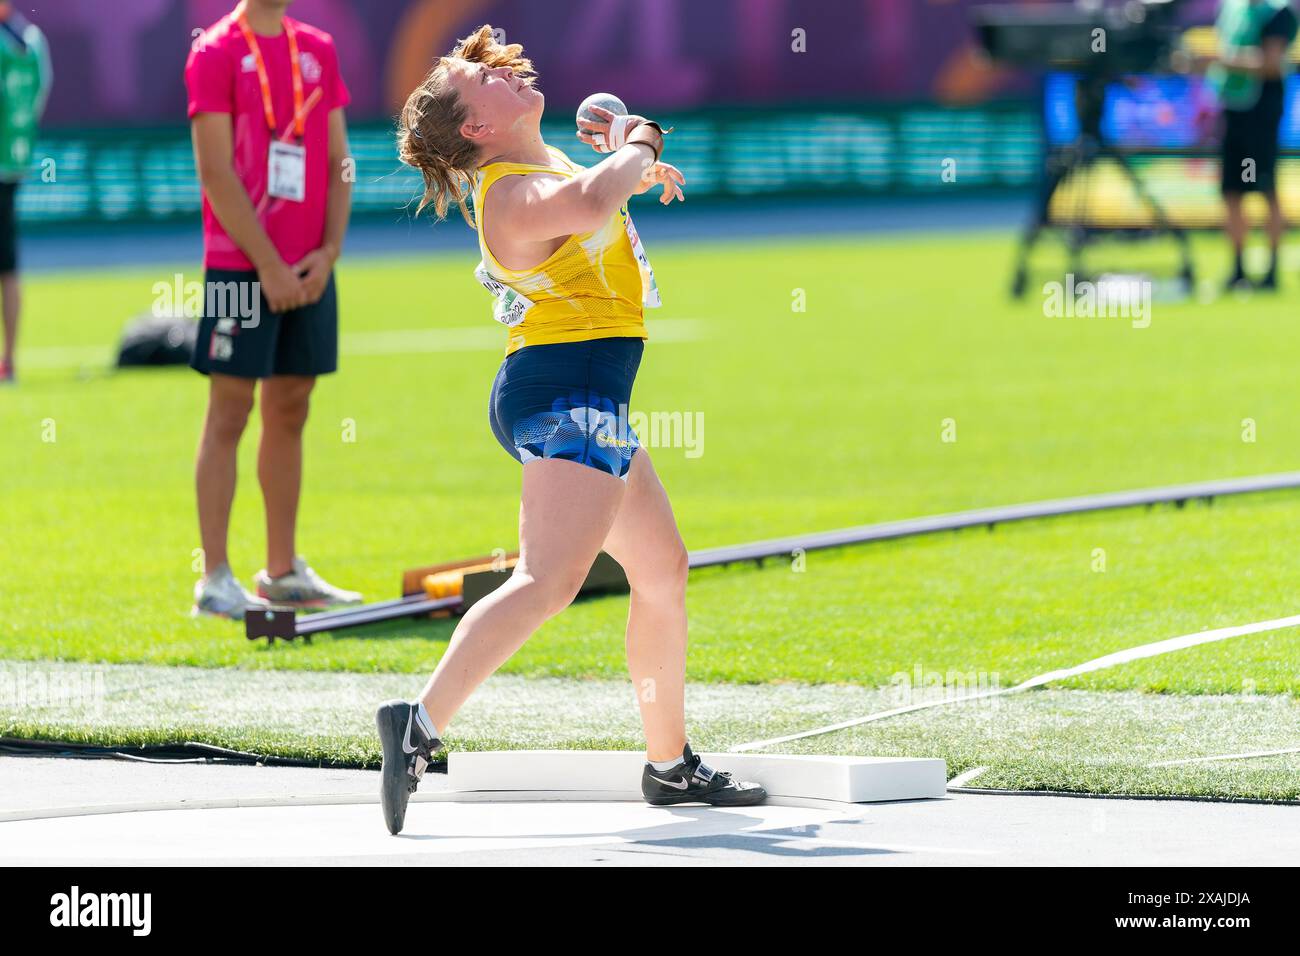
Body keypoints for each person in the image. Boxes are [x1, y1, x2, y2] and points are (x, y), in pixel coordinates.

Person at [375, 24, 765, 835]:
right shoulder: (513, 194)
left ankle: (669, 766)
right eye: (477, 79)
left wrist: (627, 157)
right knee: (547, 582)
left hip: (587, 394)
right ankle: (416, 728)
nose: (502, 72)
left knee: (662, 571)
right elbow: (591, 203)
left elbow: (595, 194)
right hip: (564, 393)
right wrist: (642, 141)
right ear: (475, 130)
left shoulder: (537, 164)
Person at [185, 0, 360, 619]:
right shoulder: (215, 51)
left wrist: (330, 250)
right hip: (240, 266)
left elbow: (341, 162)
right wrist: (267, 265)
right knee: (229, 410)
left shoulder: (318, 46)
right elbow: (215, 171)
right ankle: (214, 578)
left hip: (310, 264)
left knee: (292, 404)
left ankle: (282, 572)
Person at [1211, 0, 1298, 290]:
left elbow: (1271, 64)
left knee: (1265, 189)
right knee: (1232, 192)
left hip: (1261, 113)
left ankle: (1271, 271)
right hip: (1233, 111)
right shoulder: (1232, 9)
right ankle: (1238, 270)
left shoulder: (1277, 11)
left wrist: (1220, 61)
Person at [0, 2, 52, 384]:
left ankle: (9, 361)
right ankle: (10, 360)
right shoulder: (32, 40)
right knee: (8, 266)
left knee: (8, 266)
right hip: (14, 161)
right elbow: (37, 100)